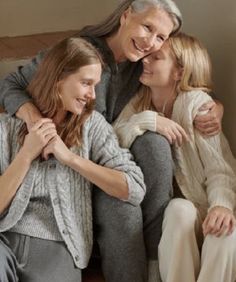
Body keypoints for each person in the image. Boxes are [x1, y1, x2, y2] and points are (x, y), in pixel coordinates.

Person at [0, 1, 223, 281]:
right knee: (123, 205)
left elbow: (182, 78)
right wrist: (35, 121)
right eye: (147, 27)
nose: (150, 43)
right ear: (127, 15)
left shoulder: (142, 66)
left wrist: (213, 106)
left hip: (107, 160)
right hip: (66, 164)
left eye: (160, 38)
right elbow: (10, 85)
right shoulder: (76, 54)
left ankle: (154, 266)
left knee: (152, 150)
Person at [0, 37, 146, 282]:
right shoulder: (6, 128)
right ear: (58, 80)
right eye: (86, 83)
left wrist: (69, 158)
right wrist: (26, 154)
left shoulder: (92, 127)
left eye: (95, 86)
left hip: (58, 247)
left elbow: (134, 188)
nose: (92, 95)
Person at [113, 32, 236, 282]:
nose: (145, 61)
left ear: (179, 71)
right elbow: (113, 137)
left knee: (226, 234)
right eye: (146, 56)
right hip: (177, 219)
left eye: (156, 57)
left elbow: (219, 170)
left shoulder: (197, 105)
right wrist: (150, 121)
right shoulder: (139, 104)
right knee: (178, 208)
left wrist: (222, 206)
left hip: (209, 206)